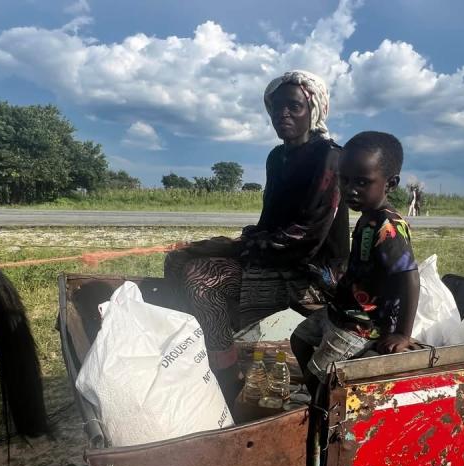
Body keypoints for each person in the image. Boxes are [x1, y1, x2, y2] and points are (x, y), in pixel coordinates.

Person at [164, 70, 349, 403]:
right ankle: (207, 348)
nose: (283, 114)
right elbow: (269, 223)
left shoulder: (329, 156)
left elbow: (307, 235)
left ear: (314, 110)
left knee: (202, 279)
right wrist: (234, 244)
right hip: (276, 258)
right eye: (277, 108)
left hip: (312, 272)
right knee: (177, 260)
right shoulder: (277, 157)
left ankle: (228, 378)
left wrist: (240, 247)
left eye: (294, 106)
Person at [291, 131, 420, 395]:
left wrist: (402, 334)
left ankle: (319, 406)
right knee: (299, 340)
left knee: (321, 376)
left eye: (362, 182)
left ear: (390, 183)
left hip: (363, 324)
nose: (351, 190)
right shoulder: (367, 216)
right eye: (345, 179)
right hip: (341, 312)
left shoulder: (389, 228)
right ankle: (316, 395)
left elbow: (410, 279)